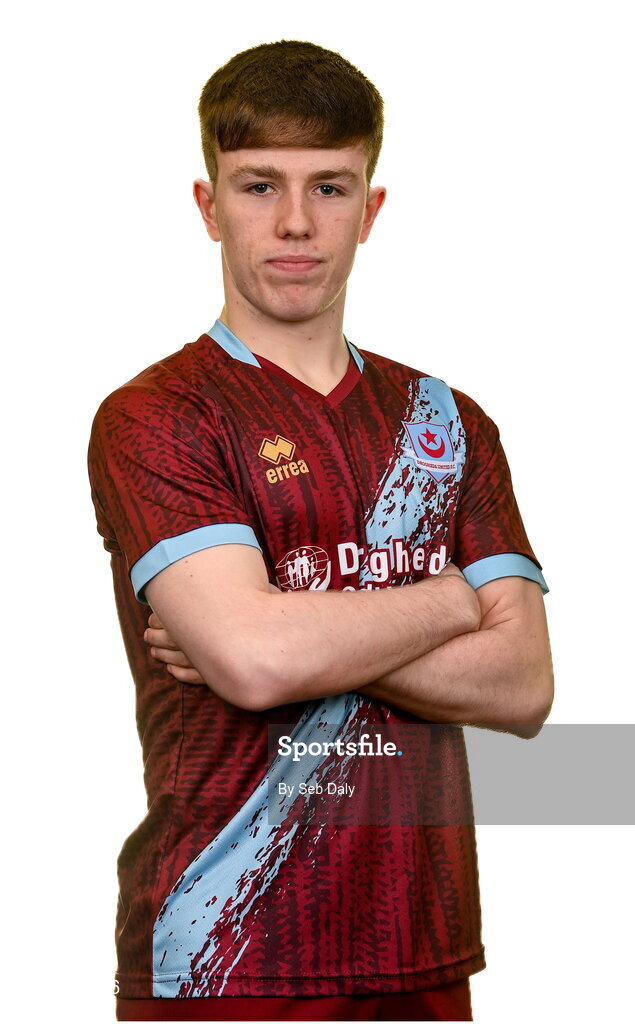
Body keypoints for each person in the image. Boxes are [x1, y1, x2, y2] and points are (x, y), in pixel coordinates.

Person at [88, 39, 553, 1022]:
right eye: (259, 186)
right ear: (209, 206)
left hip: (420, 947)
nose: (295, 222)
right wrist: (448, 598)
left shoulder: (445, 423)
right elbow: (255, 665)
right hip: (226, 955)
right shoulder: (158, 415)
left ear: (369, 209)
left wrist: (288, 629)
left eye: (329, 187)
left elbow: (521, 686)